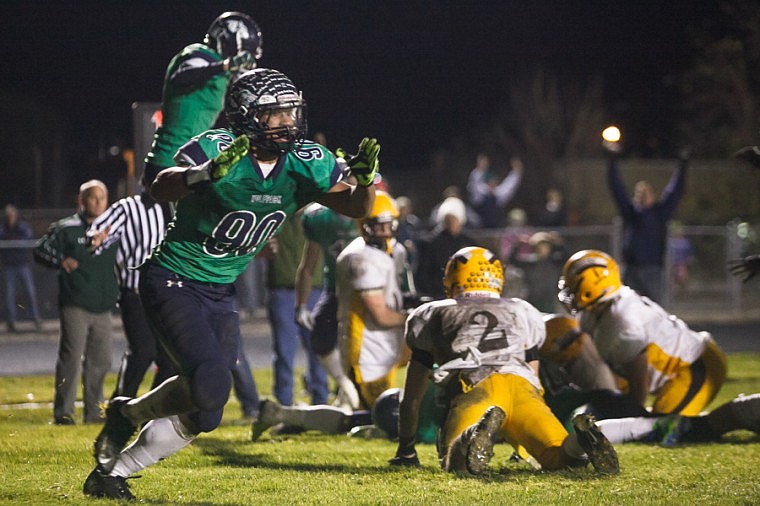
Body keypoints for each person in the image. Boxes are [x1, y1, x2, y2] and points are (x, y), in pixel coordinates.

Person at [83, 68, 378, 500]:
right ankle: (127, 415)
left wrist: (366, 181)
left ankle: (114, 468)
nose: (286, 121)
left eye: (289, 111)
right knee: (210, 381)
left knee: (207, 414)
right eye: (274, 113)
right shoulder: (219, 151)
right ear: (245, 116)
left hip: (220, 290)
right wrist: (201, 175)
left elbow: (355, 206)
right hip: (172, 277)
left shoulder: (304, 162)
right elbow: (159, 187)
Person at [390, 246, 619, 476]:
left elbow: (411, 397)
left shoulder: (432, 312)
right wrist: (521, 444)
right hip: (521, 386)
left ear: (452, 277)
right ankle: (581, 442)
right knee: (560, 457)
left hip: (477, 386)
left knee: (456, 463)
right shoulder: (521, 309)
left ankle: (472, 435)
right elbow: (534, 377)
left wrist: (406, 450)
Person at [558, 249, 727, 417]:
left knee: (661, 428)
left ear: (592, 288)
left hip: (696, 367)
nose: (568, 293)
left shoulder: (621, 322)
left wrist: (632, 415)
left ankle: (730, 417)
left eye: (573, 287)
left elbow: (639, 379)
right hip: (678, 365)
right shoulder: (598, 308)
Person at [142, 12, 262, 189]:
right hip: (168, 162)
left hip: (188, 160)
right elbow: (181, 77)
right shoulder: (199, 53)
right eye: (244, 53)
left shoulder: (219, 71)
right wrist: (228, 65)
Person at [34, 180, 119, 425]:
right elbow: (40, 250)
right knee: (71, 359)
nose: (98, 202)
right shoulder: (67, 228)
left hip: (103, 305)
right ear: (81, 201)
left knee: (100, 361)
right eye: (93, 197)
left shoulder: (114, 230)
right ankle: (63, 413)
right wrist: (61, 260)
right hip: (75, 303)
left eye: (102, 198)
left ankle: (94, 413)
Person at [604, 141, 689, 303]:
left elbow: (675, 190)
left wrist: (683, 164)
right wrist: (612, 159)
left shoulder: (659, 213)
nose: (643, 195)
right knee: (627, 312)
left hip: (653, 270)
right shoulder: (631, 213)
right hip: (631, 270)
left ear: (653, 195)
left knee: (656, 314)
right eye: (639, 192)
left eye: (647, 192)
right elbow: (617, 188)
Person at [294, 202, 360, 409]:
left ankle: (358, 394)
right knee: (321, 337)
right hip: (335, 289)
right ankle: (345, 387)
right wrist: (301, 305)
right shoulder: (319, 218)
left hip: (368, 290)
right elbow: (308, 265)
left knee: (360, 346)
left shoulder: (374, 209)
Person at [266, 217, 329, 409]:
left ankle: (320, 400)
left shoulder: (316, 217)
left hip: (314, 289)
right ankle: (284, 402)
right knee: (285, 350)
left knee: (317, 348)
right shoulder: (278, 213)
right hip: (282, 288)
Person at [415, 196, 478, 299]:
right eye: (448, 219)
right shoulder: (432, 242)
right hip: (440, 294)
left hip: (464, 294)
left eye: (454, 219)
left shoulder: (467, 241)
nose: (451, 222)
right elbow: (423, 275)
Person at [0, 203, 42, 332]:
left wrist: (14, 239)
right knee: (9, 294)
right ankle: (11, 322)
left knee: (30, 292)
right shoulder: (3, 228)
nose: (11, 218)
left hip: (22, 264)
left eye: (12, 215)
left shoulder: (22, 227)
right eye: (8, 216)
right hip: (9, 266)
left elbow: (27, 239)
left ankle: (35, 319)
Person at [466, 153, 523, 229]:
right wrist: (480, 168)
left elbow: (508, 186)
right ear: (486, 182)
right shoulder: (479, 195)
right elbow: (475, 184)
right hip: (480, 229)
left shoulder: (497, 194)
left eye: (495, 181)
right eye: (491, 181)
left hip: (495, 229)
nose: (493, 183)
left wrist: (516, 172)